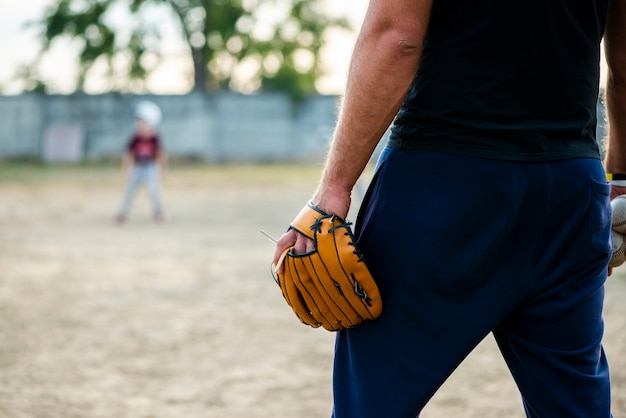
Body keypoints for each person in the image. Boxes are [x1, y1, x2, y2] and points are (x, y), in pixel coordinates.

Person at [273, 0, 626, 416]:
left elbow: (395, 37)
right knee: (573, 406)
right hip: (568, 187)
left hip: (441, 183)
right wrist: (619, 179)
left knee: (372, 405)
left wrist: (334, 189)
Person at [114, 100, 167, 224]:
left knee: (154, 192)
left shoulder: (155, 138)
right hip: (138, 167)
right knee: (129, 191)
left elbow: (161, 155)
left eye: (143, 122)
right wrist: (125, 169)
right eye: (138, 122)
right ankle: (122, 213)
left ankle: (158, 213)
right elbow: (128, 154)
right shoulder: (135, 137)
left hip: (151, 167)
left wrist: (163, 169)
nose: (139, 125)